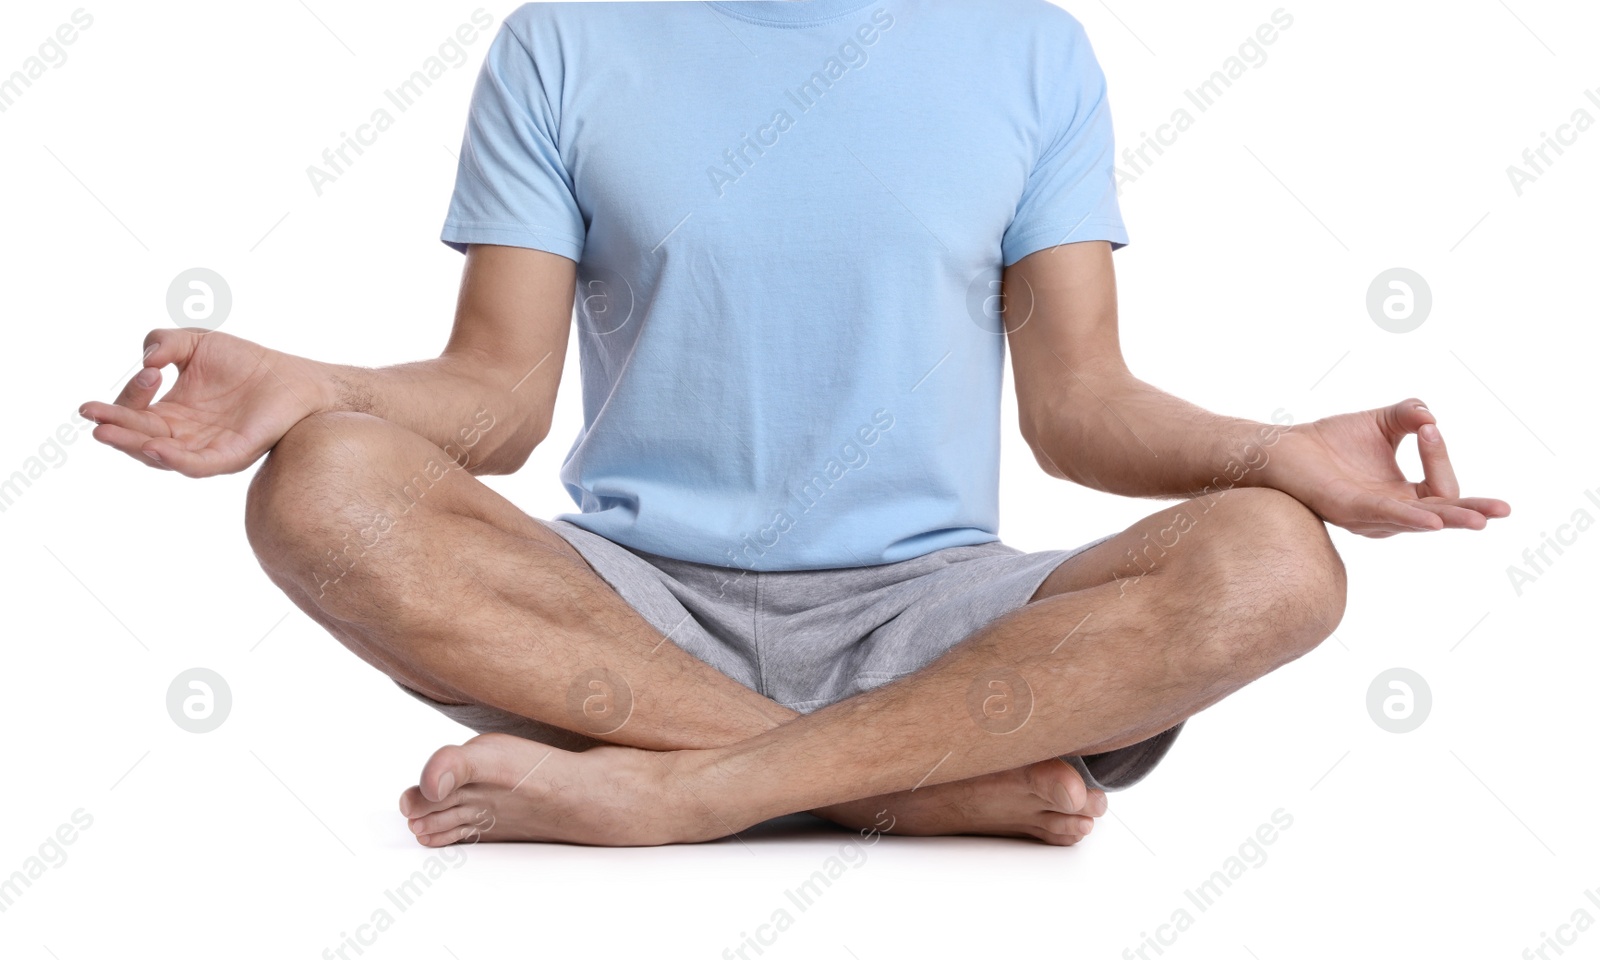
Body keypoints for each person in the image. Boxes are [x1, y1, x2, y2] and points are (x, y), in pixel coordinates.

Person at [80, 0, 1507, 847]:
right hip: (623, 615)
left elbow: (1080, 411)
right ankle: (906, 792)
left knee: (1278, 558)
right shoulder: (568, 39)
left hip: (939, 617)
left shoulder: (1026, 49)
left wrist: (1280, 458)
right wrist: (315, 386)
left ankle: (688, 793)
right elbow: (498, 402)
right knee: (318, 485)